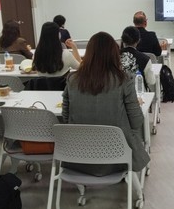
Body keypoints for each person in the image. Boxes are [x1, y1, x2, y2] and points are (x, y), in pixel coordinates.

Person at [62, 32, 150, 176]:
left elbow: (66, 118)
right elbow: (136, 121)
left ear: (88, 54)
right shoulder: (124, 80)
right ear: (115, 54)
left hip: (79, 154)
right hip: (117, 155)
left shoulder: (72, 79)